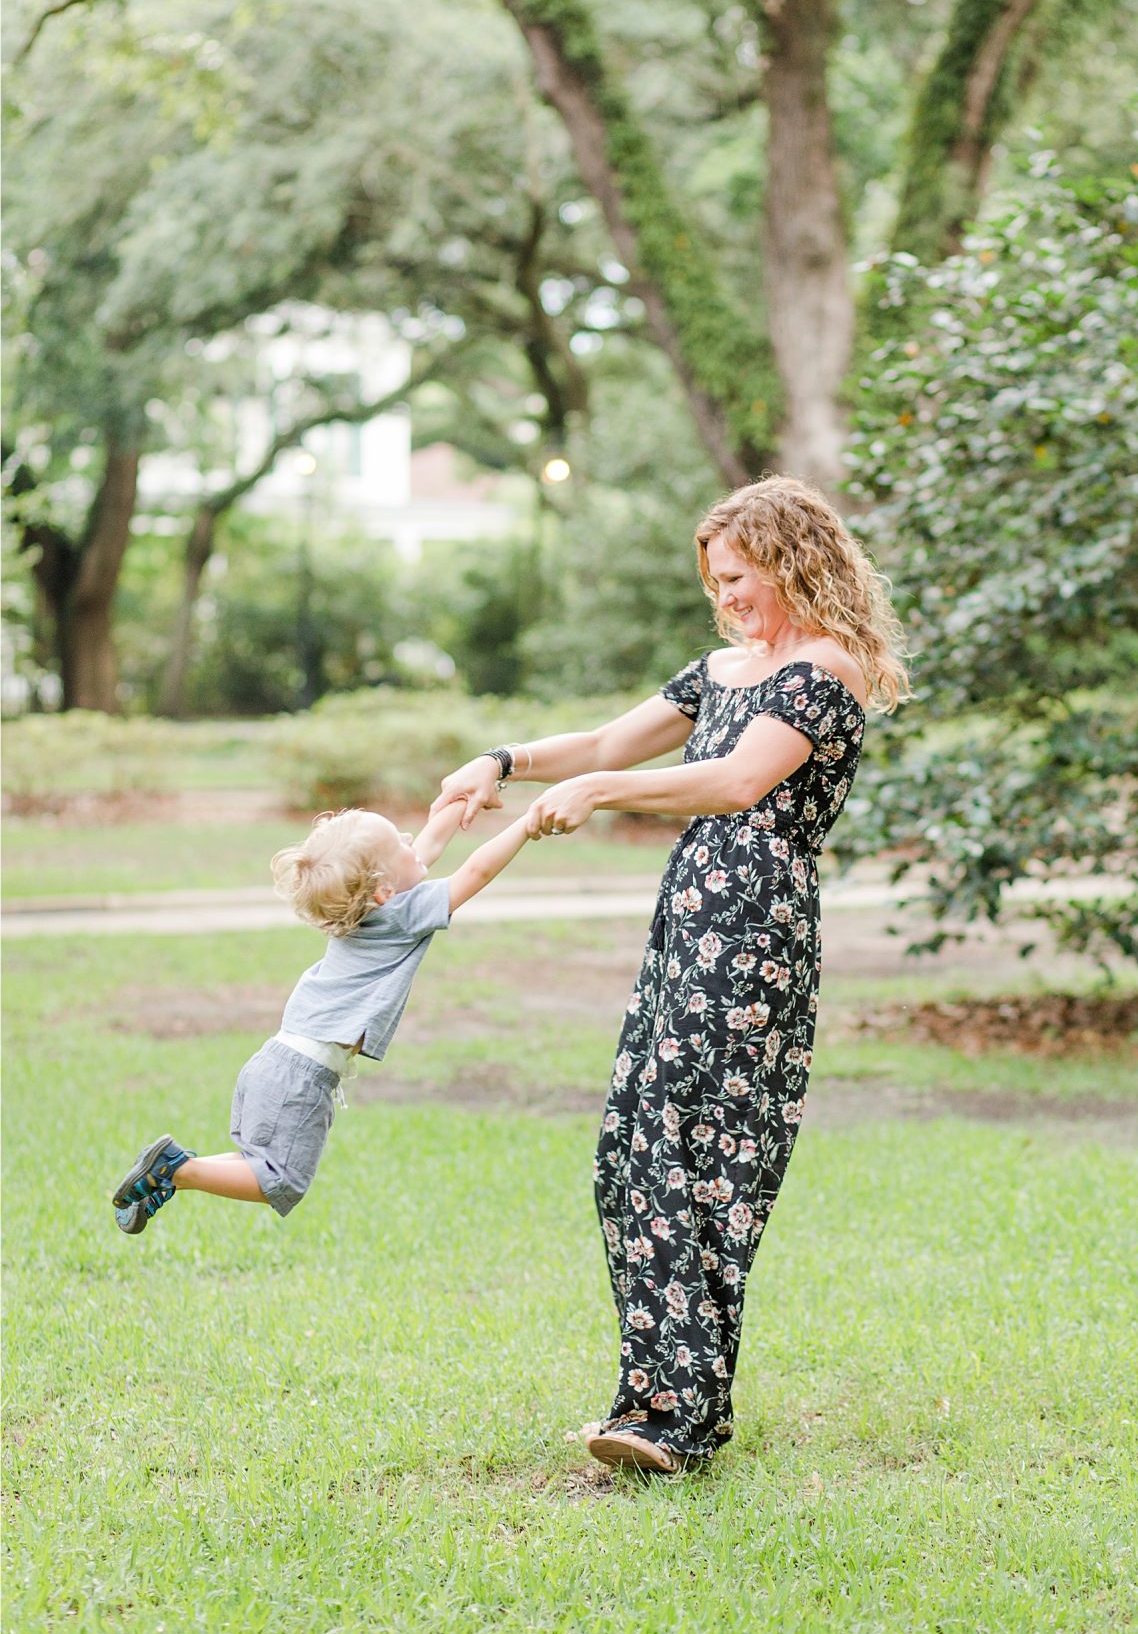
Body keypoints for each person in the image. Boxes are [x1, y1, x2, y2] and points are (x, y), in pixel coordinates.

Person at [433, 476, 910, 1473]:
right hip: (688, 913)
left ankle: (677, 1419)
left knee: (704, 1157)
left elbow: (738, 781)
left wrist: (604, 792)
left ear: (790, 558)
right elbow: (605, 741)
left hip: (755, 921)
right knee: (633, 1145)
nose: (726, 595)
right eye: (714, 581)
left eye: (738, 577)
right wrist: (501, 759)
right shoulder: (725, 669)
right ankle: (655, 1400)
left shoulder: (827, 669)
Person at [110, 802, 533, 1235]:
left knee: (261, 1166)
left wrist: (465, 799)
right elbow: (475, 873)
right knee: (281, 1181)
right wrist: (527, 823)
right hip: (303, 1078)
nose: (412, 841)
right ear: (383, 889)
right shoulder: (404, 914)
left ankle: (166, 1172)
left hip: (276, 1062)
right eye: (399, 843)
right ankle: (176, 1171)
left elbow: (426, 846)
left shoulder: (370, 905)